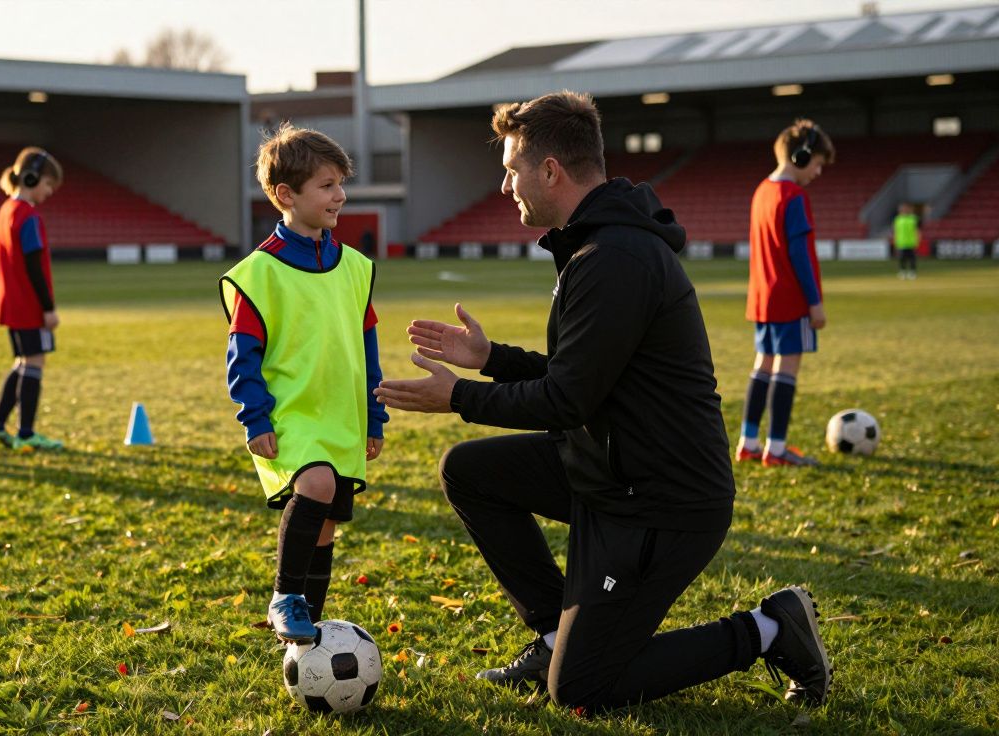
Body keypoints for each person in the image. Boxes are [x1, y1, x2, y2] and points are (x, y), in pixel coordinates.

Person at [373, 92, 832, 713]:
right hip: (613, 472)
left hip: (662, 501)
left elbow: (565, 398)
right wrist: (491, 361)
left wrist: (459, 396)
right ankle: (554, 637)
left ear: (552, 170)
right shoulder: (595, 242)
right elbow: (583, 376)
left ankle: (772, 627)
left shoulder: (613, 255)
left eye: (512, 169)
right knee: (469, 472)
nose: (505, 184)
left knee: (585, 690)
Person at [220, 124, 388, 643]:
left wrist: (374, 415)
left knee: (327, 523)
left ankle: (307, 630)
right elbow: (241, 355)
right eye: (326, 185)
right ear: (285, 195)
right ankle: (285, 597)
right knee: (315, 486)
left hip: (341, 415)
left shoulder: (356, 268)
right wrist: (255, 417)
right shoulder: (259, 274)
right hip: (287, 415)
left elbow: (368, 349)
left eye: (341, 183)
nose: (339, 195)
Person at [736, 120, 835, 468]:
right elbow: (800, 254)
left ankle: (748, 442)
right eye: (819, 163)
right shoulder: (794, 196)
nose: (819, 172)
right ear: (802, 154)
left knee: (762, 365)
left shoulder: (761, 191)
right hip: (790, 299)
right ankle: (776, 450)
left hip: (762, 298)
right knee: (787, 369)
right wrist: (815, 302)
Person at [0, 147, 65, 452]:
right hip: (29, 306)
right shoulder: (28, 216)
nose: (49, 192)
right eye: (48, 185)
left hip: (11, 304)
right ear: (31, 178)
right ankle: (26, 433)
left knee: (22, 362)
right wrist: (48, 308)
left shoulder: (5, 210)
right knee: (34, 363)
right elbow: (33, 264)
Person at [893, 202, 919, 279]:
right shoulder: (897, 219)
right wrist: (895, 241)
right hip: (901, 242)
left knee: (912, 259)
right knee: (902, 259)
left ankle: (912, 272)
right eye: (902, 208)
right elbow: (896, 231)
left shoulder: (913, 218)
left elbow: (917, 230)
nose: (904, 210)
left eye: (905, 208)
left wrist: (918, 240)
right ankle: (902, 272)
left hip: (911, 242)